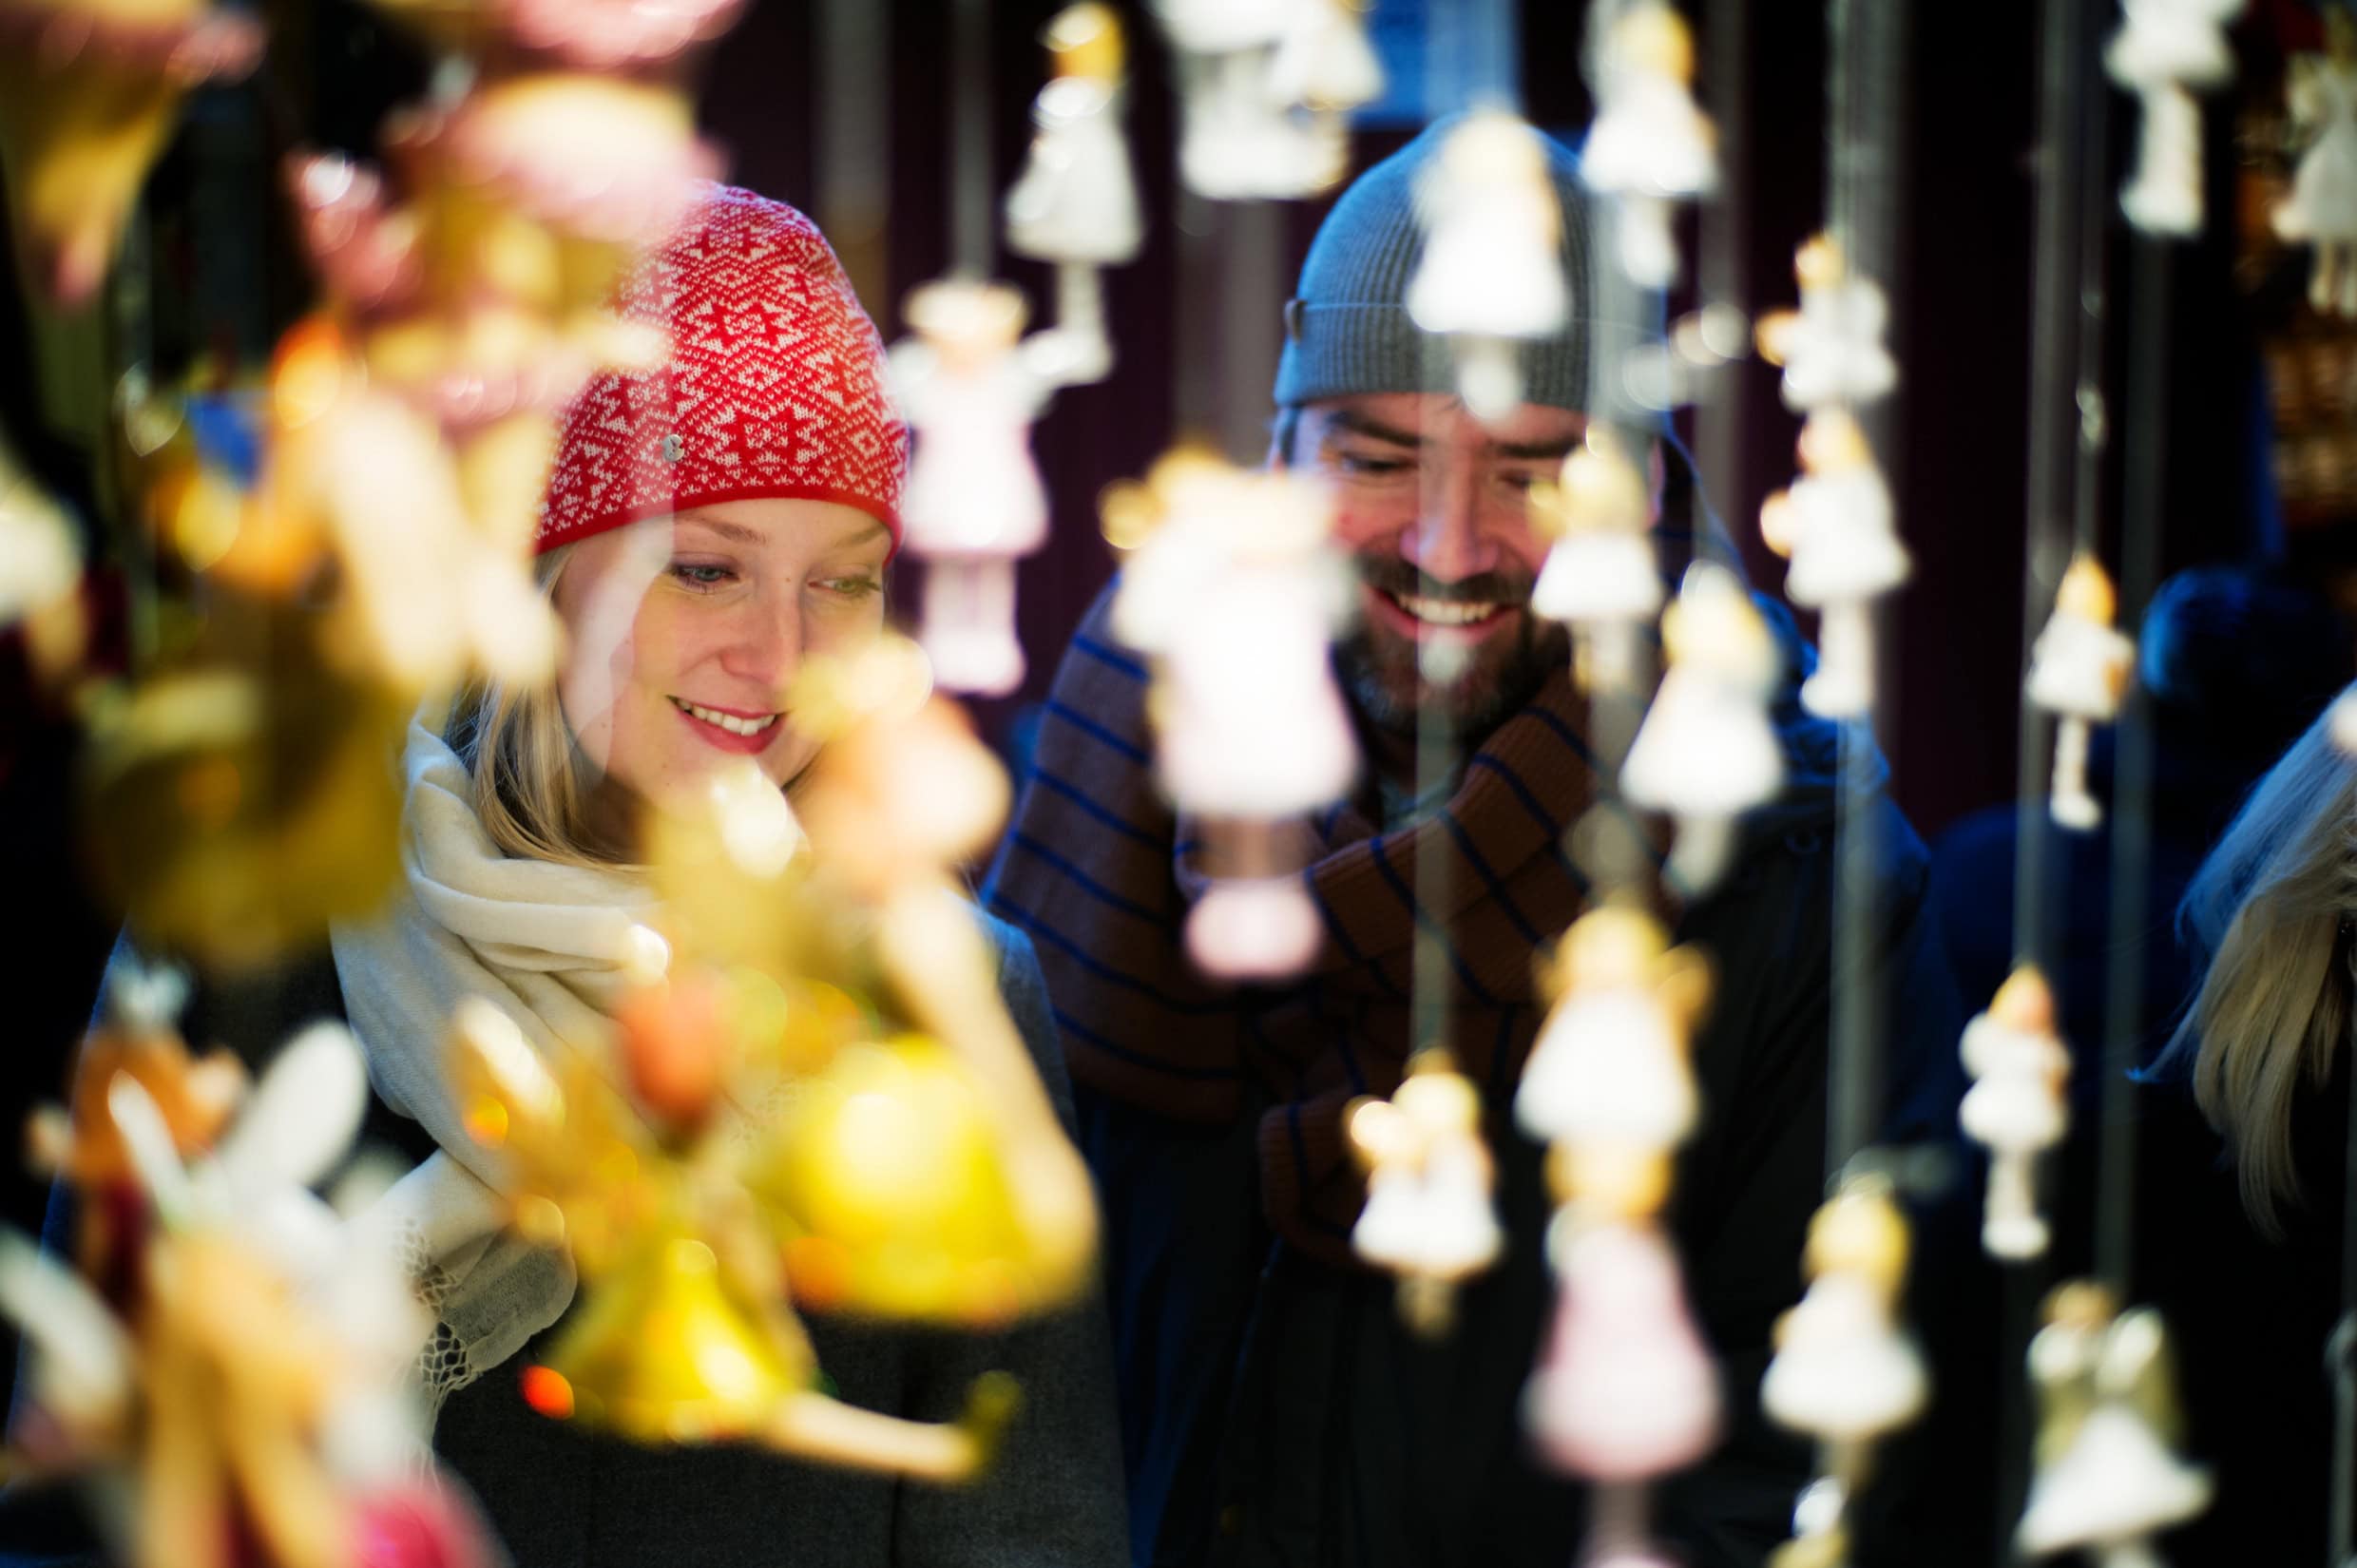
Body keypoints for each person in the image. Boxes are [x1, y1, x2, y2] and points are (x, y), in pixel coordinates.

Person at [1, 186, 1127, 1568]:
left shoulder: (937, 993)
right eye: (709, 568)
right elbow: (75, 1511)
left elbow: (1033, 1537)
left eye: (845, 580)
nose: (780, 660)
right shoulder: (248, 948)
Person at [984, 121, 1964, 1568]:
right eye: (1378, 457)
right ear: (1283, 449)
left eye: (1531, 474)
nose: (1446, 544)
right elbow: (992, 1327)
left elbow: (1815, 1477)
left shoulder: (1803, 870)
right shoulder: (1119, 750)